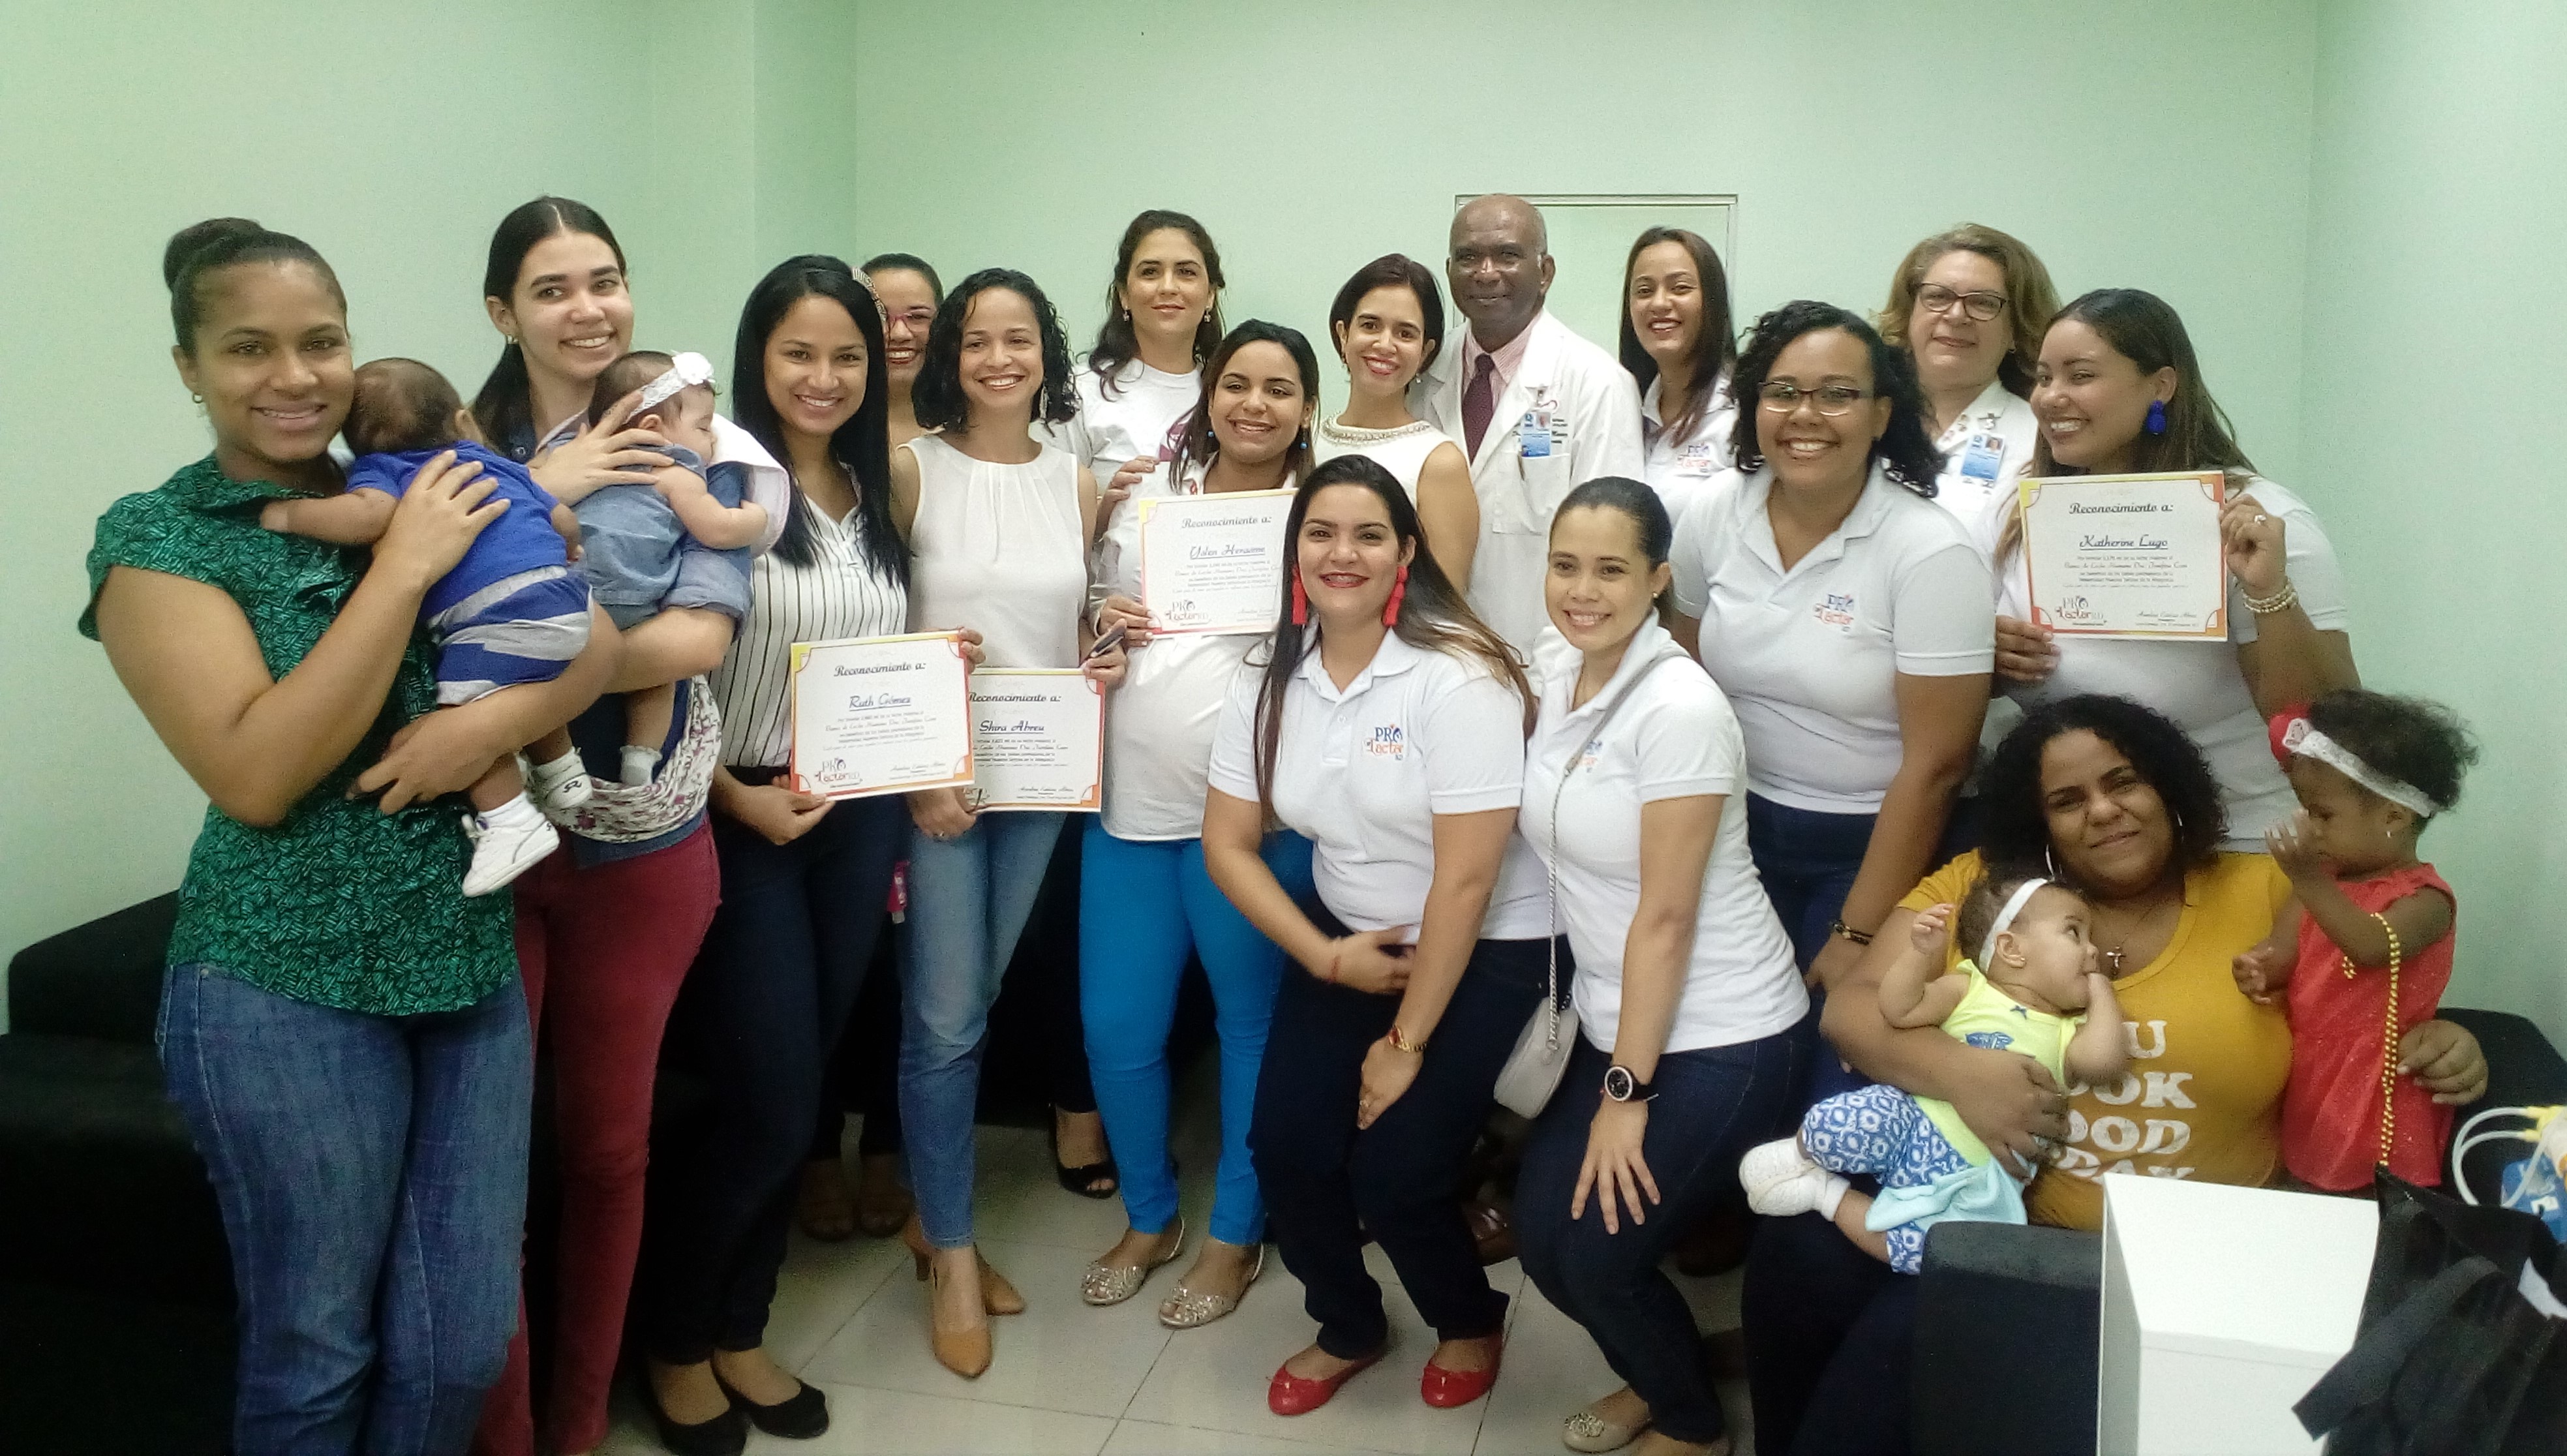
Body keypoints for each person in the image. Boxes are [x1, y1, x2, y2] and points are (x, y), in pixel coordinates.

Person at [87, 217, 614, 1453]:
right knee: (317, 1354)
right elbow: (257, 774)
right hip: (281, 979)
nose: (294, 375)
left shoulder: (416, 474)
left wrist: (473, 733)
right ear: (189, 367)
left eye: (321, 341)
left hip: (463, 960)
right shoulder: (161, 538)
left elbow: (590, 646)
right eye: (247, 348)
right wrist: (402, 570)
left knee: (460, 1345)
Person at [1742, 693, 2491, 1456]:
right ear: (2039, 821)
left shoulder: (2269, 888)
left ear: (2167, 787)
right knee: (1813, 1280)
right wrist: (1963, 1075)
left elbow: (2369, 992)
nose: (2102, 811)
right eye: (2066, 800)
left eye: (2123, 781)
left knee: (1923, 1358)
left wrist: (2445, 1038)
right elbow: (1851, 1009)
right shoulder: (1990, 893)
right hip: (2020, 1239)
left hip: (2207, 1253)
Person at [628, 258, 928, 1453]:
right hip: (739, 816)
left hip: (857, 820)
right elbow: (656, 662)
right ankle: (673, 1338)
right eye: (799, 352)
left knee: (800, 1092)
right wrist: (734, 800)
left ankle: (739, 1330)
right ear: (758, 356)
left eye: (846, 356)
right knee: (766, 1099)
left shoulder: (876, 484)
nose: (823, 376)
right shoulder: (713, 478)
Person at [468, 200, 737, 1456]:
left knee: (609, 1155)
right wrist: (541, 489)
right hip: (487, 848)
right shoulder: (456, 443)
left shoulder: (690, 432)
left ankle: (576, 1421)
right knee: (487, 1166)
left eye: (607, 281)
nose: (589, 308)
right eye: (554, 287)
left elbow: (702, 634)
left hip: (643, 846)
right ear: (502, 312)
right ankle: (505, 1430)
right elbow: (412, 615)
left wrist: (537, 656)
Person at [1202, 455, 1547, 1416]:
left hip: (1486, 943)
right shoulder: (1270, 677)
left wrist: (1403, 1044)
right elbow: (1225, 843)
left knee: (1395, 1171)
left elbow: (1467, 880)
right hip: (1350, 936)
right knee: (1284, 1145)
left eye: (1367, 535)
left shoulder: (1457, 676)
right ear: (1294, 552)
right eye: (1320, 533)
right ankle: (1349, 1324)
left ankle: (1467, 1318)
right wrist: (1322, 956)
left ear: (1406, 553)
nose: (1340, 554)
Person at [1511, 478, 1810, 1456]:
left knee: (1598, 1258)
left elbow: (1667, 919)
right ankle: (1661, 1371)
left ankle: (1690, 1425)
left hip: (1724, 1033)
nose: (1581, 590)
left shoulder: (1679, 707)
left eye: (1610, 570)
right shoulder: (1559, 666)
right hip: (1618, 1013)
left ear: (1656, 580)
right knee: (1542, 1238)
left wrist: (1625, 1094)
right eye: (1564, 566)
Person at [894, 267, 1125, 1378]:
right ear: (952, 353)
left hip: (1037, 775)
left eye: (1018, 338)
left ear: (1046, 354)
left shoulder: (1072, 480)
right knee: (946, 1018)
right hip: (937, 781)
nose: (998, 358)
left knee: (975, 998)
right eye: (977, 339)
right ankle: (951, 1250)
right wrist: (913, 770)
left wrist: (1100, 652)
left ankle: (927, 1212)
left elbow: (1062, 624)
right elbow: (878, 626)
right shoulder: (910, 468)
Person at [1078, 321, 1322, 1328]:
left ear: (1306, 408)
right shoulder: (1150, 496)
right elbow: (1095, 614)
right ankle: (1148, 1216)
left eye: (1278, 388)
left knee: (1249, 1029)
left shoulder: (1322, 513)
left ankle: (1233, 1231)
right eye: (1235, 384)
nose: (1253, 404)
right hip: (1130, 807)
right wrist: (1104, 626)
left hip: (1254, 822)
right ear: (1208, 396)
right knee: (1117, 1028)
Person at [1667, 302, 1992, 1014]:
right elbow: (1682, 670)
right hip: (1734, 824)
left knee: (1835, 1032)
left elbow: (1938, 766)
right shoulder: (1715, 510)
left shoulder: (1930, 551)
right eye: (1782, 392)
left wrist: (1856, 930)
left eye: (1837, 394)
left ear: (1880, 415)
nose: (1804, 415)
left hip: (1870, 844)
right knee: (1719, 1029)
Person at [1992, 288, 2360, 849]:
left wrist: (2268, 592)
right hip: (2087, 847)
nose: (2050, 397)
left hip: (2236, 842)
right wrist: (1991, 659)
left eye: (2080, 376)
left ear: (2160, 385)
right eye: (2043, 377)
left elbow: (2326, 722)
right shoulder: (2028, 514)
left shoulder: (2260, 520)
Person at [259, 356, 592, 894]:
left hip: (497, 612)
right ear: (462, 421)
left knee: (462, 714)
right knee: (519, 678)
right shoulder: (492, 462)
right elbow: (563, 519)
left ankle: (511, 821)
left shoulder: (386, 470)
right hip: (565, 598)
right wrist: (568, 547)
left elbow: (366, 517)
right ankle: (561, 771)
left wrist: (288, 515)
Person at [1742, 873, 2127, 1271]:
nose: (2093, 951)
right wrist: (1919, 955)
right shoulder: (1970, 987)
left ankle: (1825, 1195)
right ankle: (1797, 1152)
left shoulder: (2067, 1030)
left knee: (1929, 1254)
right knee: (1854, 1119)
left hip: (1982, 1176)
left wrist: (2101, 990)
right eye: (2074, 933)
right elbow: (1900, 1009)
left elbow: (2102, 1063)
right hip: (1914, 1120)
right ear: (2012, 949)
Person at [793, 250, 947, 1244]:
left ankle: (885, 1152)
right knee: (807, 997)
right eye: (875, 317)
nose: (897, 332)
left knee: (891, 977)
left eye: (915, 314)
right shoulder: (752, 475)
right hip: (781, 781)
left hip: (895, 773)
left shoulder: (914, 462)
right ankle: (812, 1158)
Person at [2235, 690, 2476, 1191]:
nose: (2308, 827)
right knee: (2306, 1182)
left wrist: (2306, 877)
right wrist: (2259, 967)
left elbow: (2370, 947)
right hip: (2313, 1066)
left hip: (2378, 1081)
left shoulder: (2426, 900)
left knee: (2374, 1197)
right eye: (2304, 810)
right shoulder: (2321, 883)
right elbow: (2284, 953)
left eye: (2322, 815)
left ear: (2393, 817)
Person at [1413, 193, 1644, 658]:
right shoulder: (1421, 371)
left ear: (1545, 272)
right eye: (1468, 257)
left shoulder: (1596, 383)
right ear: (1449, 269)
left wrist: (1565, 672)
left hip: (1543, 660)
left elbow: (1611, 545)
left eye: (1507, 255)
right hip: (1430, 649)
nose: (1486, 272)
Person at [545, 350, 765, 789]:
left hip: (564, 593)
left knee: (541, 667)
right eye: (704, 428)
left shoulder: (562, 453)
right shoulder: (673, 469)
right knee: (658, 681)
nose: (712, 440)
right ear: (652, 428)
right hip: (633, 601)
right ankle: (641, 759)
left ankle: (554, 763)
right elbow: (717, 529)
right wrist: (757, 519)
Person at [1876, 224, 2059, 548]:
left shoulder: (2043, 441)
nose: (1956, 315)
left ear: (2016, 331)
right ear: (1908, 314)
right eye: (1938, 296)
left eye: (1984, 303)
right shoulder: (1862, 422)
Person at [1311, 253, 1478, 583]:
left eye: (1405, 333)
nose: (1385, 345)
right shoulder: (1305, 440)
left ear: (1425, 352)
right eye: (1370, 326)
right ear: (1343, 334)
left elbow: (1444, 599)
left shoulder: (1438, 462)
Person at [1052, 209, 1226, 521]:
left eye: (1186, 272)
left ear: (1210, 295)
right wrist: (1103, 512)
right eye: (1150, 272)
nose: (1168, 287)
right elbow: (1044, 520)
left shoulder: (1232, 395)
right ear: (1124, 295)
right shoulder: (1078, 393)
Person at [1621, 227, 1739, 529]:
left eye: (1680, 288)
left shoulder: (1741, 416)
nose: (1659, 303)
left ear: (1712, 301)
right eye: (1644, 291)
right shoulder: (1623, 406)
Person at [865, 252, 942, 449]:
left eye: (917, 317)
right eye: (881, 317)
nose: (899, 334)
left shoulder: (974, 424)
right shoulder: (825, 426)